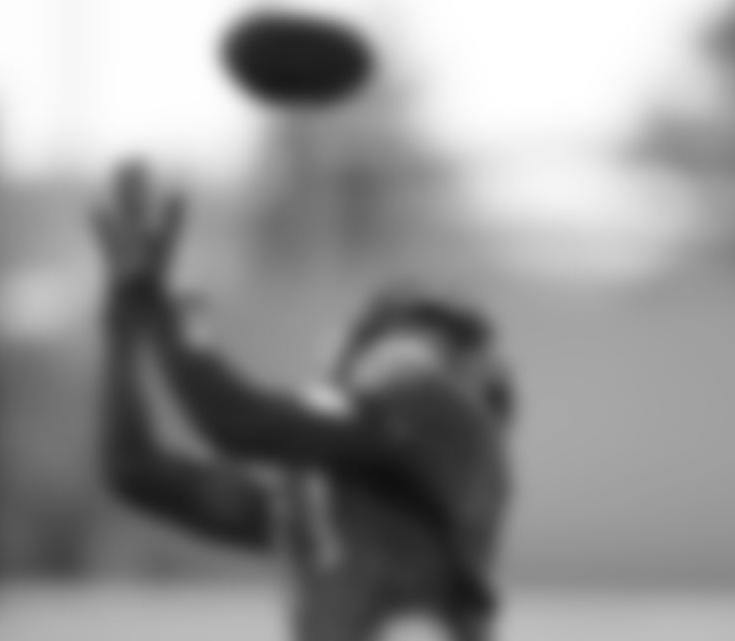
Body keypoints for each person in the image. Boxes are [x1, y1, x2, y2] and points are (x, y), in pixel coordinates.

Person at [92, 161, 516, 641]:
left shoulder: (430, 409)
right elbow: (136, 472)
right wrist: (126, 317)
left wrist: (175, 314)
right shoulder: (345, 498)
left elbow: (234, 423)